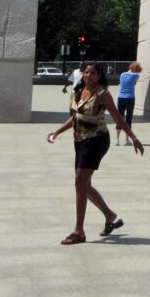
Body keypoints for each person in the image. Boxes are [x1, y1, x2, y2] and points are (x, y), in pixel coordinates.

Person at [47, 61, 144, 245]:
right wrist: (57, 131)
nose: (88, 76)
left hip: (96, 140)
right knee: (83, 184)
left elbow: (118, 118)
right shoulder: (79, 90)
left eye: (92, 73)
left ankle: (79, 231)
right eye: (86, 72)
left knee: (80, 182)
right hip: (80, 140)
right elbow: (76, 117)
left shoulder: (102, 94)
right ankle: (110, 216)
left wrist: (133, 137)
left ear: (99, 76)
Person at [115, 62, 142, 146]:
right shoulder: (136, 76)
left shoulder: (122, 74)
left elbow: (121, 84)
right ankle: (126, 139)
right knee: (128, 119)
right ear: (136, 69)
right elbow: (134, 83)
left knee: (120, 118)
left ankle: (117, 140)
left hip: (120, 97)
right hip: (130, 98)